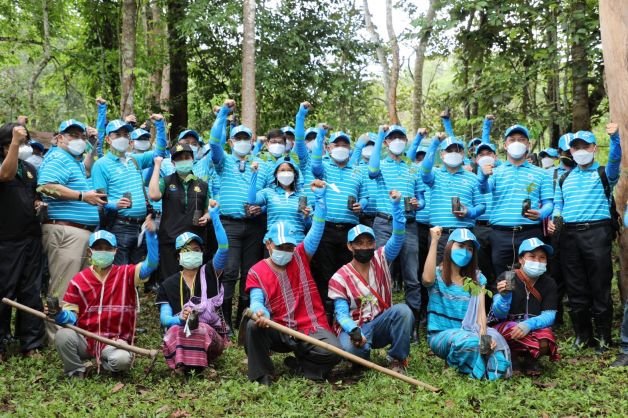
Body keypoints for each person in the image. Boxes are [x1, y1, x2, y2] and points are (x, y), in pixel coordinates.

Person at [244, 179, 341, 386]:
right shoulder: (256, 271)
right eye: (280, 246)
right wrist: (260, 311)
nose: (286, 251)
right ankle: (262, 374)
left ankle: (303, 366)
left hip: (311, 326)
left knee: (334, 353)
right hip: (278, 328)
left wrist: (320, 199)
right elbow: (256, 299)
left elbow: (317, 227)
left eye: (289, 247)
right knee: (253, 326)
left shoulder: (301, 255)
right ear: (268, 244)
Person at [549, 124, 622, 352]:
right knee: (575, 285)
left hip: (597, 232)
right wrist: (555, 218)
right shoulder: (564, 178)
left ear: (593, 148)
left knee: (600, 284)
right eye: (576, 147)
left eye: (585, 146)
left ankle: (603, 337)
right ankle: (582, 335)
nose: (580, 151)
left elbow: (615, 160)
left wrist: (615, 138)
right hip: (569, 235)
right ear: (570, 151)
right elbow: (558, 204)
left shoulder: (604, 174)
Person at [53, 222, 158, 378]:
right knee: (63, 335)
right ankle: (76, 370)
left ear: (115, 251)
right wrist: (59, 314)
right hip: (86, 339)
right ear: (89, 252)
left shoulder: (127, 274)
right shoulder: (78, 280)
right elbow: (71, 317)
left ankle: (102, 366)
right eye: (98, 248)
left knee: (121, 360)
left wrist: (151, 235)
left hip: (115, 341)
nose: (103, 251)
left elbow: (151, 263)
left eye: (108, 248)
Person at [328, 190, 413, 374]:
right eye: (359, 243)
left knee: (403, 311)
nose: (364, 247)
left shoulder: (382, 258)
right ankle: (361, 357)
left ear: (375, 244)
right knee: (352, 350)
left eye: (368, 242)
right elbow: (341, 314)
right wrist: (353, 330)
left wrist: (396, 206)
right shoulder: (339, 277)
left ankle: (397, 359)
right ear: (350, 246)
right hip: (355, 328)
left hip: (380, 323)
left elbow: (398, 235)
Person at [38, 119, 107, 341]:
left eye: (81, 136)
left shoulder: (72, 161)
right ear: (59, 138)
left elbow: (87, 166)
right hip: (65, 231)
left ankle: (75, 333)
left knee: (79, 285)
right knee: (63, 284)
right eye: (72, 135)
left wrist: (94, 144)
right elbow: (45, 187)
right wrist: (82, 196)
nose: (78, 140)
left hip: (80, 232)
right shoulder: (57, 157)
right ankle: (57, 337)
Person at [423, 227, 511, 380]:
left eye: (469, 249)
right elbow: (427, 279)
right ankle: (458, 366)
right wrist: (435, 241)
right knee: (469, 342)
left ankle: (466, 367)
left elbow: (481, 315)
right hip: (440, 337)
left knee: (493, 347)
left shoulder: (477, 279)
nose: (465, 252)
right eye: (460, 246)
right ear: (449, 247)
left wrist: (485, 340)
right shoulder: (437, 275)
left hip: (470, 333)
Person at [209, 100, 267, 330]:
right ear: (231, 142)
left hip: (254, 226)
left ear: (252, 142)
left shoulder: (262, 165)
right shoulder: (222, 162)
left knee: (251, 272)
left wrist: (261, 209)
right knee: (230, 271)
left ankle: (244, 320)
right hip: (229, 224)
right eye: (238, 138)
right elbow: (214, 143)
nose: (242, 142)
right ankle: (224, 321)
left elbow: (270, 194)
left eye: (246, 138)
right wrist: (223, 113)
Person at [157, 202, 229, 373]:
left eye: (196, 250)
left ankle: (198, 365)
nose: (192, 253)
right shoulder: (168, 285)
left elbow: (224, 248)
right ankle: (186, 364)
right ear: (178, 257)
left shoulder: (211, 272)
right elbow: (165, 319)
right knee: (176, 330)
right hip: (181, 332)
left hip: (210, 337)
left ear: (202, 253)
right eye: (186, 250)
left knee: (200, 329)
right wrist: (179, 319)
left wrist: (215, 217)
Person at [477, 124, 553, 277]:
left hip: (530, 232)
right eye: (512, 140)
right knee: (504, 278)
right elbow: (484, 189)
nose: (516, 143)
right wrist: (483, 176)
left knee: (533, 277)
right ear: (505, 145)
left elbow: (549, 203)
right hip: (500, 234)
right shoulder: (495, 172)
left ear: (528, 144)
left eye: (521, 139)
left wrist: (541, 214)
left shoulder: (541, 173)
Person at [310, 127, 369, 323]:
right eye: (337, 144)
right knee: (324, 272)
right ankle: (325, 315)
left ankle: (345, 313)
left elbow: (365, 196)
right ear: (329, 148)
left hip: (350, 232)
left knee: (347, 272)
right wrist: (320, 135)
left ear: (350, 149)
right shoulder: (323, 168)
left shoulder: (358, 171)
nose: (341, 148)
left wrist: (362, 205)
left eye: (345, 144)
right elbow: (315, 163)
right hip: (326, 228)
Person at [368, 125, 423, 332]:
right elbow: (372, 171)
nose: (397, 141)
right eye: (393, 138)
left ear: (406, 141)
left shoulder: (413, 168)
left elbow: (422, 199)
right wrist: (379, 134)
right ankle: (380, 321)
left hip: (409, 224)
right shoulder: (380, 164)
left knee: (412, 276)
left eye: (401, 137)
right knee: (381, 273)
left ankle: (413, 325)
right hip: (384, 223)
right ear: (386, 142)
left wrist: (418, 203)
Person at [0, 123, 45, 361]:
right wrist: (14, 144)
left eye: (24, 142)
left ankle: (31, 343)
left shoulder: (29, 169)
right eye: (16, 142)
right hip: (6, 241)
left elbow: (34, 195)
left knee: (31, 290)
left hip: (31, 238)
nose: (23, 147)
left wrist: (38, 203)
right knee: (4, 290)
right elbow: (5, 175)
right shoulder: (5, 166)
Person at [92, 119, 156, 265]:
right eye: (117, 134)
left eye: (125, 134)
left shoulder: (134, 159)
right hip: (120, 227)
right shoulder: (101, 165)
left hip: (141, 226)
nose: (122, 138)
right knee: (120, 271)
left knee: (138, 272)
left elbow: (160, 153)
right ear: (108, 139)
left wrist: (159, 125)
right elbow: (100, 199)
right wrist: (115, 204)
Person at [491, 238, 559, 376]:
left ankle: (530, 359)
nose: (537, 261)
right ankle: (512, 357)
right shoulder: (509, 277)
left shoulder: (548, 283)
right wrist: (504, 297)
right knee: (510, 329)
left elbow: (549, 315)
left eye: (542, 258)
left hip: (531, 327)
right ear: (521, 259)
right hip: (507, 327)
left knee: (545, 338)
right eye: (532, 257)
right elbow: (498, 314)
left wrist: (528, 324)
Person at [149, 145, 211, 283]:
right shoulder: (166, 181)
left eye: (186, 157)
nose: (183, 161)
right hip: (170, 240)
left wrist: (207, 217)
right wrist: (157, 165)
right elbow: (153, 195)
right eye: (179, 159)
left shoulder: (202, 185)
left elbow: (207, 211)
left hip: (194, 241)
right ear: (173, 163)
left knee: (194, 280)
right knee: (169, 280)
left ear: (192, 159)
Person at [420, 134, 485, 260]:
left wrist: (469, 212)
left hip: (465, 235)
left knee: (465, 271)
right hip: (439, 235)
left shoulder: (473, 177)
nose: (454, 153)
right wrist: (434, 143)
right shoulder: (434, 175)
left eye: (457, 150)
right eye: (449, 150)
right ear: (442, 154)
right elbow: (424, 171)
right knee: (436, 270)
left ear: (463, 154)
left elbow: (482, 205)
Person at [248, 158, 311, 243]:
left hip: (296, 242)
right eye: (282, 170)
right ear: (276, 174)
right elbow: (252, 200)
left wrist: (307, 217)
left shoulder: (302, 196)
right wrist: (254, 174)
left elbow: (309, 226)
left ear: (295, 174)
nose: (286, 173)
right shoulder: (268, 192)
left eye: (289, 170)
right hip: (273, 243)